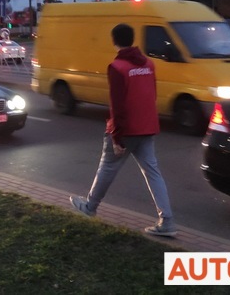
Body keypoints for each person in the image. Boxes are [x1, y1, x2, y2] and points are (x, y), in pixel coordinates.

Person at [69, 23, 177, 237]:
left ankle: (90, 206)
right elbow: (152, 94)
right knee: (153, 173)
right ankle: (167, 220)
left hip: (126, 129)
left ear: (114, 41)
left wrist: (117, 137)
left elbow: (117, 105)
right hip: (147, 127)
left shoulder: (117, 67)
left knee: (107, 167)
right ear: (132, 38)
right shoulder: (149, 64)